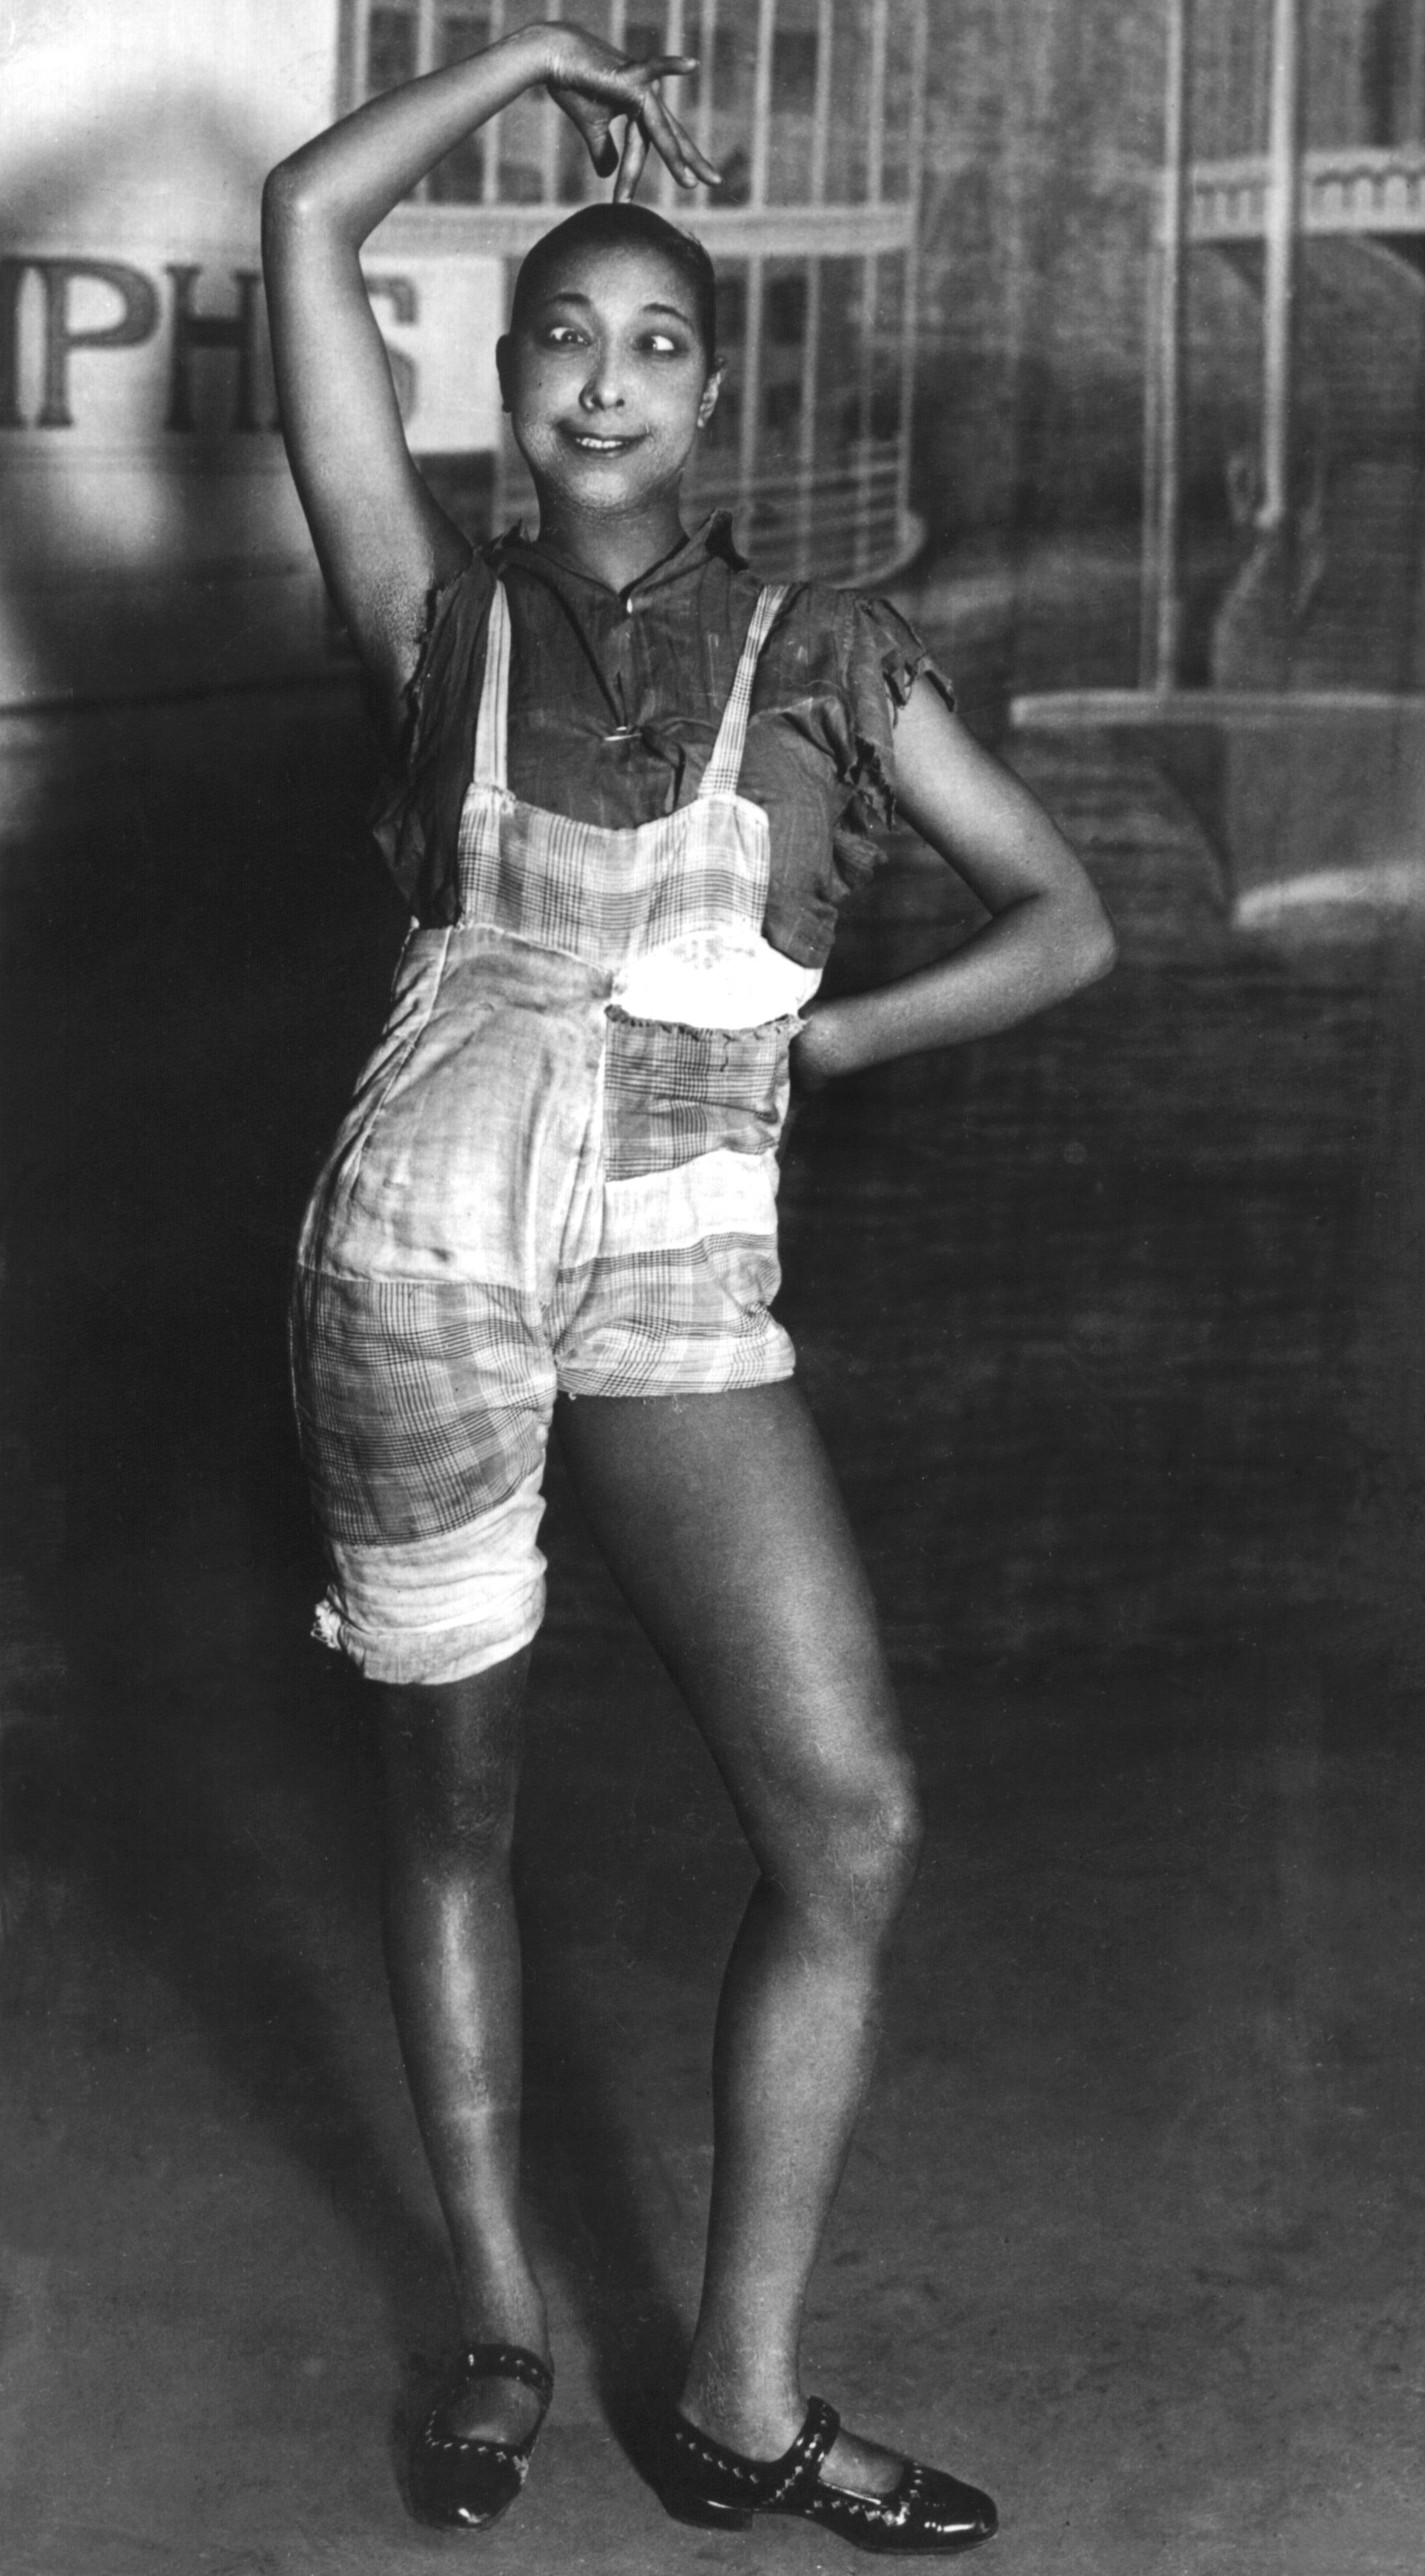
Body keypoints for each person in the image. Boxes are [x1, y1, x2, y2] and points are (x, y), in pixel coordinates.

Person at [262, 19, 1114, 2555]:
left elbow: (1062, 919)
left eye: (654, 339)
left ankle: (740, 2393)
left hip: (675, 1255)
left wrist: (829, 1036)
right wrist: (535, 55)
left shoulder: (829, 647)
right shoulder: (430, 616)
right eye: (560, 333)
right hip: (417, 1252)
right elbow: (305, 217)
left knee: (845, 1816)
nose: (604, 377)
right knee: (455, 1811)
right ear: (504, 379)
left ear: (713, 389)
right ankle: (498, 2314)